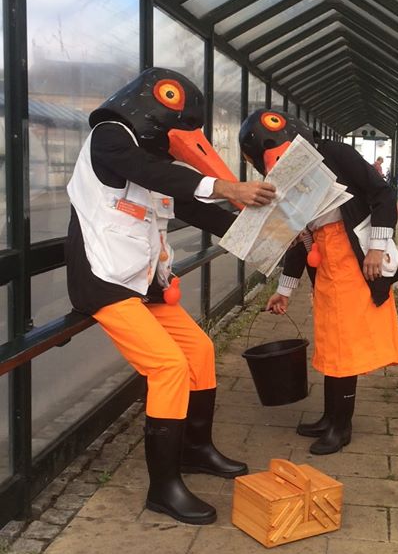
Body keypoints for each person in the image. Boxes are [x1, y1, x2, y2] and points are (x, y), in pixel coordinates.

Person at [66, 67, 276, 525]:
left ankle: (195, 451)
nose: (190, 139)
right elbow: (152, 173)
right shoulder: (110, 138)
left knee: (198, 351)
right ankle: (163, 489)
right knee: (167, 366)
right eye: (184, 126)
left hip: (144, 283)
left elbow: (191, 206)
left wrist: (266, 240)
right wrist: (226, 185)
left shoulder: (153, 162)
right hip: (103, 281)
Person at [239, 111, 398, 454]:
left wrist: (377, 247)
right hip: (326, 263)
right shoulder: (287, 179)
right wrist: (284, 291)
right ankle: (330, 418)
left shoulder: (337, 154)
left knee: (344, 346)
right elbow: (299, 236)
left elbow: (383, 194)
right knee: (331, 342)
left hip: (355, 261)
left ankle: (341, 427)